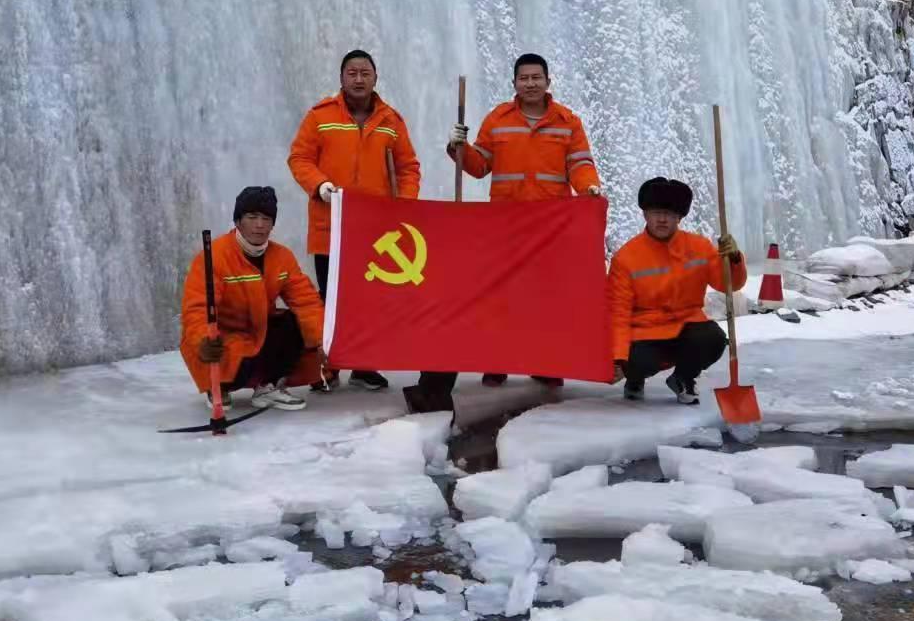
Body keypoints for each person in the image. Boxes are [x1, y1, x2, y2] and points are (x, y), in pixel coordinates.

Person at [444, 52, 602, 389]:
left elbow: (579, 163)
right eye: (523, 78)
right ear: (514, 82)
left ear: (548, 81)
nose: (530, 84)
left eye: (536, 78)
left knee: (545, 298)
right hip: (506, 224)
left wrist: (588, 187)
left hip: (550, 225)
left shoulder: (567, 122)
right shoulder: (498, 119)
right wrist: (458, 148)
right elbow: (478, 166)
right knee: (502, 296)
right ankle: (496, 361)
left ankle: (544, 362)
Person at [288, 49, 421, 392]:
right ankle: (329, 366)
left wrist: (403, 207)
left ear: (375, 78)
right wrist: (320, 186)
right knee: (329, 298)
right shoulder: (320, 116)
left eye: (365, 73)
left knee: (367, 298)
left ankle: (363, 364)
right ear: (342, 78)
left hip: (376, 231)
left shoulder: (392, 120)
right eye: (352, 73)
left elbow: (408, 168)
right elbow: (300, 158)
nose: (359, 79)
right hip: (330, 225)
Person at [180, 186, 324, 411]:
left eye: (266, 218)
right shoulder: (214, 257)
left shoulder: (282, 257)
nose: (260, 225)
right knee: (225, 352)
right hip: (223, 339)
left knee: (292, 322)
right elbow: (196, 307)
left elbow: (306, 301)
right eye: (252, 217)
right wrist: (203, 341)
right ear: (238, 221)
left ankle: (268, 386)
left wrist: (324, 340)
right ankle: (219, 387)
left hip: (259, 332)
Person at [607, 176, 746, 405]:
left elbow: (728, 285)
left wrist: (733, 259)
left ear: (679, 218)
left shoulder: (699, 247)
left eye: (670, 214)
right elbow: (618, 312)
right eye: (656, 212)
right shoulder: (626, 258)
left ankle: (683, 377)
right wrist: (618, 357)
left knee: (714, 340)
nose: (662, 219)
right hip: (646, 332)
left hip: (687, 325)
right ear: (645, 215)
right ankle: (635, 378)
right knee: (635, 362)